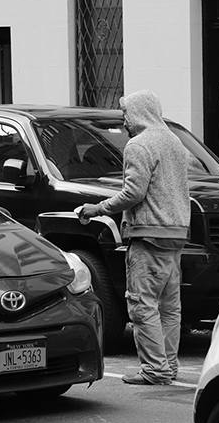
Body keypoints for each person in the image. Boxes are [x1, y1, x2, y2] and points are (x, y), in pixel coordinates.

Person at [78, 90, 191, 385]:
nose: (124, 119)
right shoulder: (175, 143)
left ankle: (154, 369)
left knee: (143, 305)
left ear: (140, 112)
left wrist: (98, 208)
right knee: (169, 306)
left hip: (148, 234)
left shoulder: (139, 146)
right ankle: (169, 366)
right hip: (176, 234)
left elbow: (134, 193)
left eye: (126, 113)